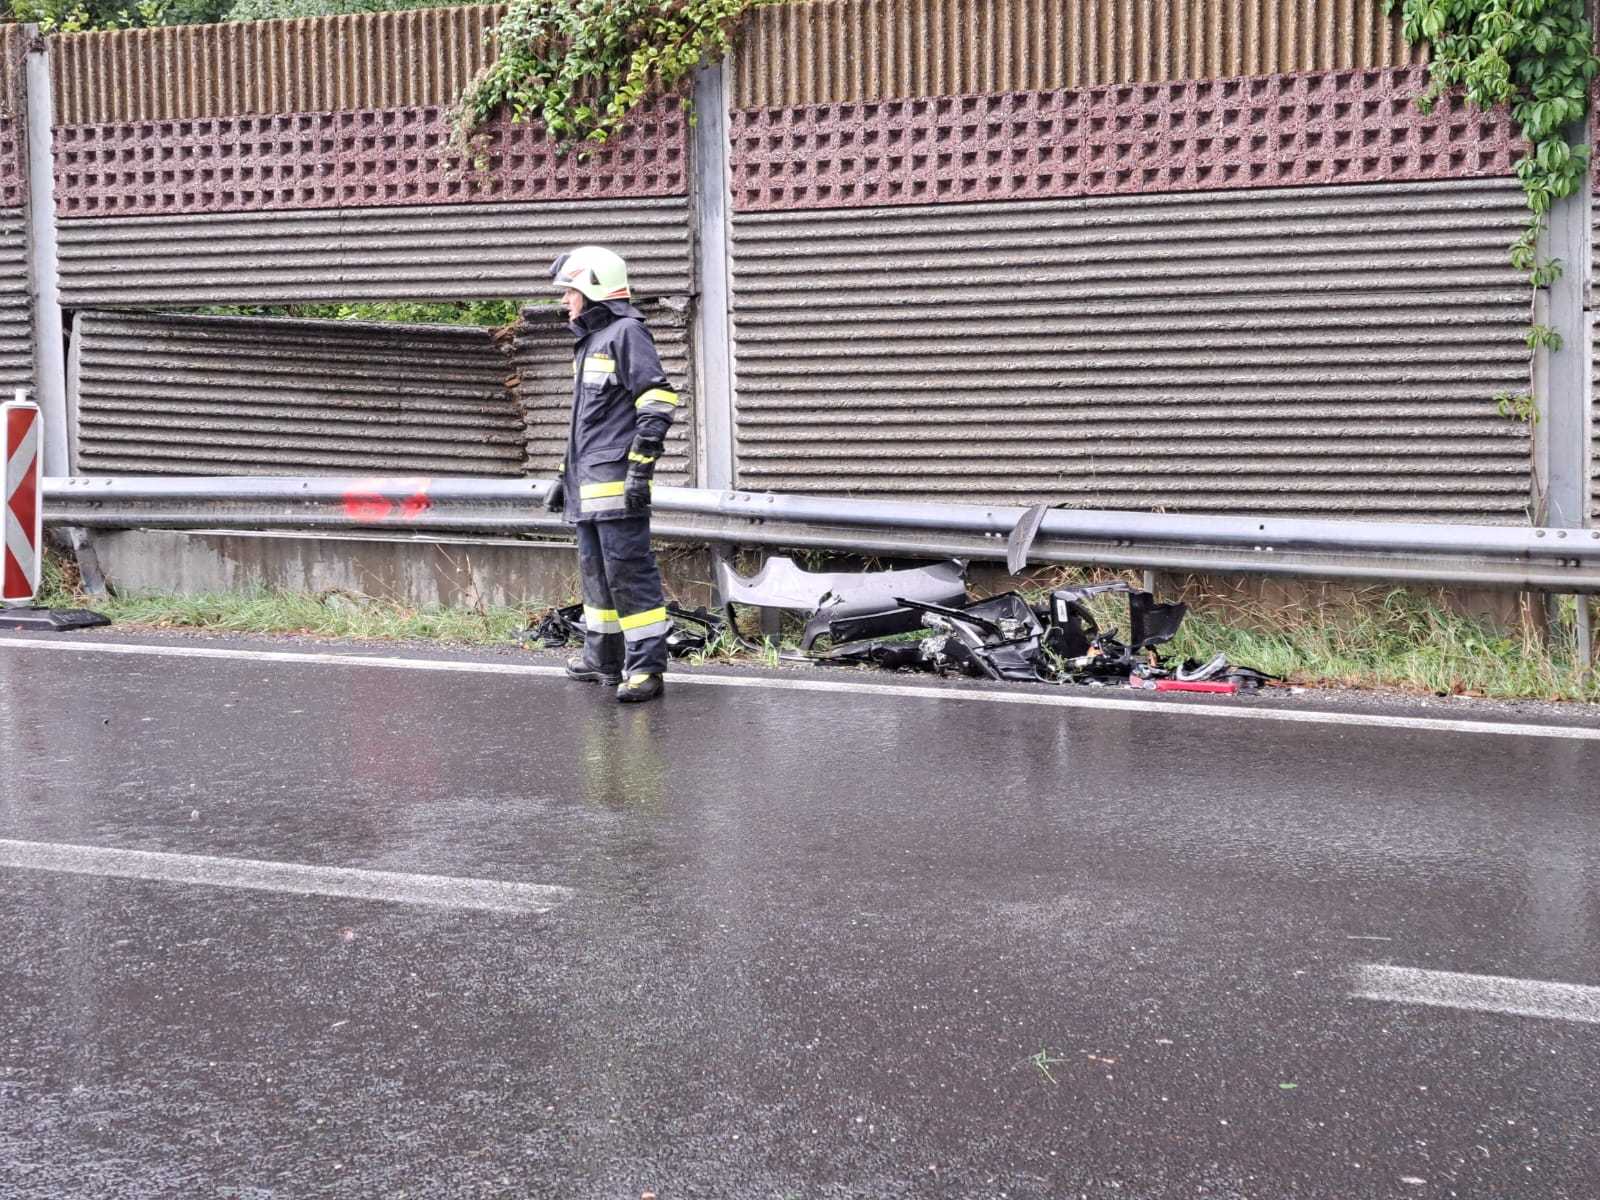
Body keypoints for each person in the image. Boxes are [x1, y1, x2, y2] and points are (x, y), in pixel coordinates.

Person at [541, 245, 680, 704]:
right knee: (596, 577)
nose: (565, 300)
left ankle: (645, 669)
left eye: (570, 291)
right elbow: (585, 424)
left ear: (593, 289)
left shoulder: (627, 333)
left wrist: (641, 468)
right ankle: (602, 659)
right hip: (587, 487)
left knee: (629, 575)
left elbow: (657, 399)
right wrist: (563, 476)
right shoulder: (591, 341)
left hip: (618, 486)